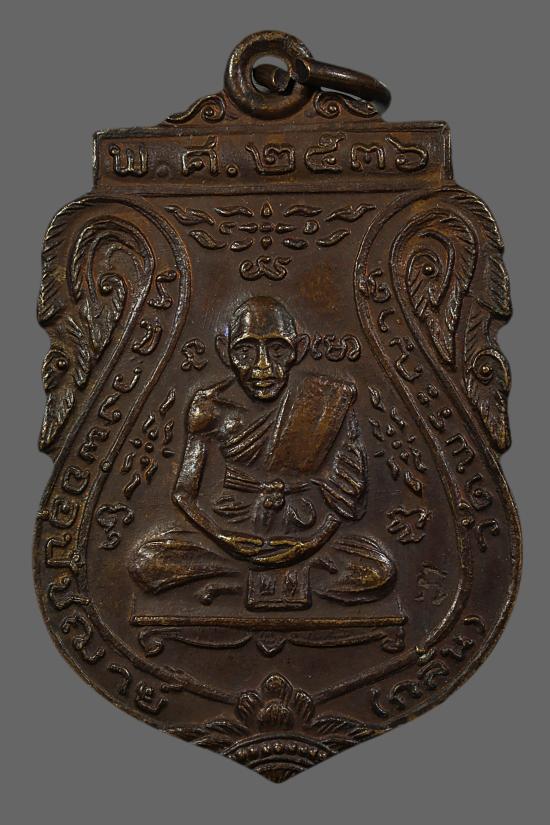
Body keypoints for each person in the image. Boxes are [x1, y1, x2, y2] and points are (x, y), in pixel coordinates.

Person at [129, 297, 394, 605]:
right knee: (147, 562)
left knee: (379, 571)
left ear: (299, 349)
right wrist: (225, 538)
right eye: (245, 351)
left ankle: (235, 583)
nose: (263, 367)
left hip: (306, 533)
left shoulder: (328, 399)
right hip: (229, 532)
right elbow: (184, 494)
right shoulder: (209, 406)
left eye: (278, 349)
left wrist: (309, 544)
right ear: (224, 352)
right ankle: (272, 576)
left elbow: (348, 500)